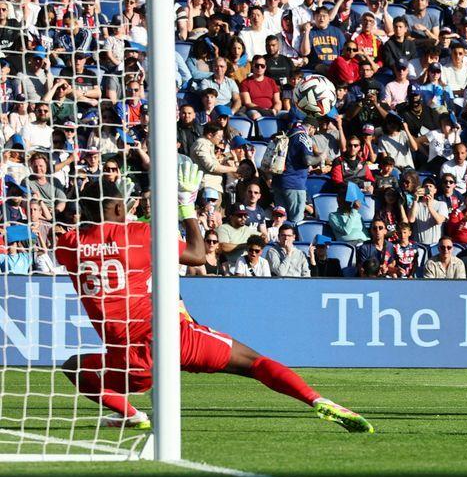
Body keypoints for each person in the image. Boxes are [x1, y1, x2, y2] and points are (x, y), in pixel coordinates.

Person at [54, 166, 372, 432]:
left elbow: (87, 241)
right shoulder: (139, 235)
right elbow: (197, 255)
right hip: (172, 337)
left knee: (74, 367)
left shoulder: (68, 246)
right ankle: (316, 400)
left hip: (131, 364)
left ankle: (132, 415)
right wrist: (185, 205)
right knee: (255, 364)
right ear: (120, 208)